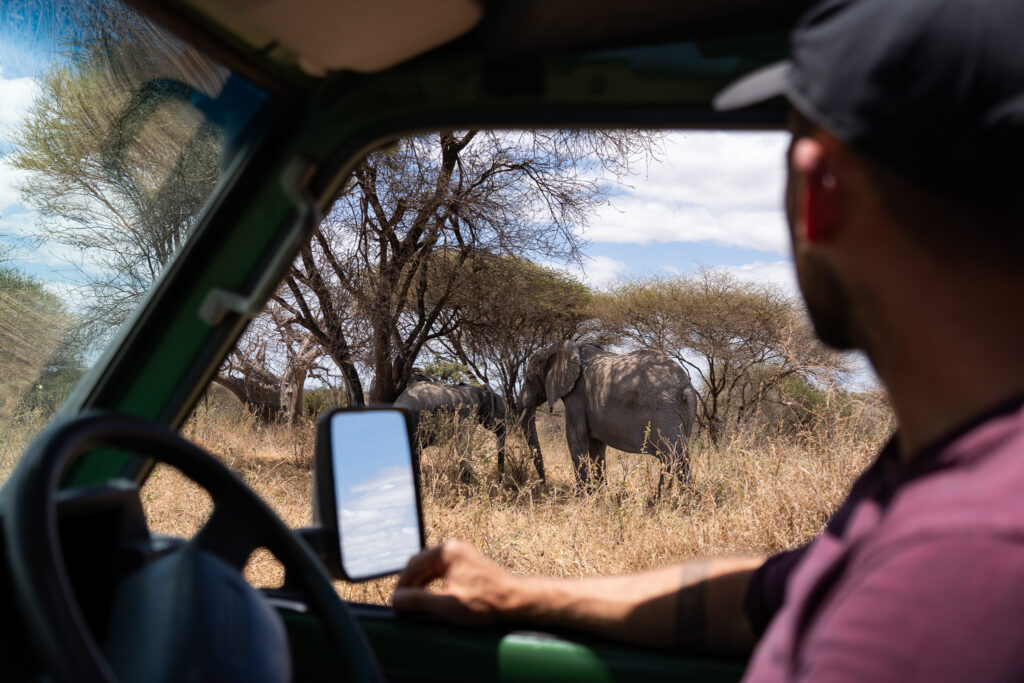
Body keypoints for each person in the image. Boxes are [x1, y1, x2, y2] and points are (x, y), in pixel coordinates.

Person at [393, 0, 1024, 678]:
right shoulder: (937, 481)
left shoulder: (949, 576)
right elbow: (764, 597)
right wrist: (522, 592)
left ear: (820, 192)